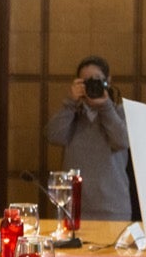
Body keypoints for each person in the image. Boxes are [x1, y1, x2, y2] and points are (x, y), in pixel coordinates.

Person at [45, 55, 133, 221]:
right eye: (86, 82)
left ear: (108, 81)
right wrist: (70, 103)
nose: (92, 86)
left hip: (113, 209)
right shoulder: (72, 114)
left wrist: (105, 107)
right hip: (74, 208)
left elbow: (122, 141)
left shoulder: (120, 112)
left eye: (97, 80)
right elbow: (52, 136)